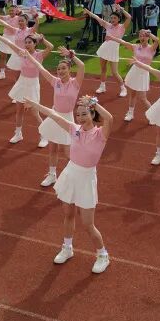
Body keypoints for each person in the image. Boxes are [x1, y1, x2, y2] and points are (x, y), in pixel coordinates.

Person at [24, 95, 114, 274]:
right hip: (70, 174)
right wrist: (34, 104)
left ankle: (103, 255)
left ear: (92, 114)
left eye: (84, 114)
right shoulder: (74, 129)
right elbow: (54, 115)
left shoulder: (100, 134)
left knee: (88, 224)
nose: (80, 118)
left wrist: (94, 103)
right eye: (78, 115)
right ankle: (67, 247)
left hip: (86, 178)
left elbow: (110, 118)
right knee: (68, 214)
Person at [29, 47, 85, 187]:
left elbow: (82, 66)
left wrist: (71, 55)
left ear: (69, 69)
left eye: (63, 68)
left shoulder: (75, 83)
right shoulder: (56, 82)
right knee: (53, 148)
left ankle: (75, 175)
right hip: (54, 117)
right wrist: (28, 56)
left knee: (68, 151)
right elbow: (40, 68)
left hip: (67, 119)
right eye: (58, 69)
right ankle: (52, 175)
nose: (60, 71)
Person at [0, 33, 54, 145]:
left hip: (32, 85)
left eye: (29, 42)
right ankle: (18, 134)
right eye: (26, 42)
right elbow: (10, 44)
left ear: (35, 44)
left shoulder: (39, 55)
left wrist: (42, 39)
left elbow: (50, 47)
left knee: (35, 113)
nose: (27, 44)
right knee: (19, 111)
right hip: (22, 83)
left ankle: (44, 136)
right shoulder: (22, 53)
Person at [107, 28, 158, 121]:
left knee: (143, 98)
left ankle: (153, 116)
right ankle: (130, 113)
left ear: (148, 37)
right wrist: (112, 38)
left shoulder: (151, 48)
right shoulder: (135, 47)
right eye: (140, 36)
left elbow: (157, 40)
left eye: (144, 36)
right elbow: (123, 42)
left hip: (143, 74)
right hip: (134, 71)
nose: (142, 38)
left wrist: (149, 34)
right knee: (133, 94)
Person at [84, 6, 131, 97]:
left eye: (115, 18)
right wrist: (89, 12)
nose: (112, 19)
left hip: (113, 51)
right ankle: (102, 86)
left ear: (119, 19)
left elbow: (129, 17)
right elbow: (97, 17)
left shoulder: (122, 27)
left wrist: (121, 9)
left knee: (114, 72)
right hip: (104, 49)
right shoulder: (108, 25)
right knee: (103, 69)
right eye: (111, 18)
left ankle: (123, 88)